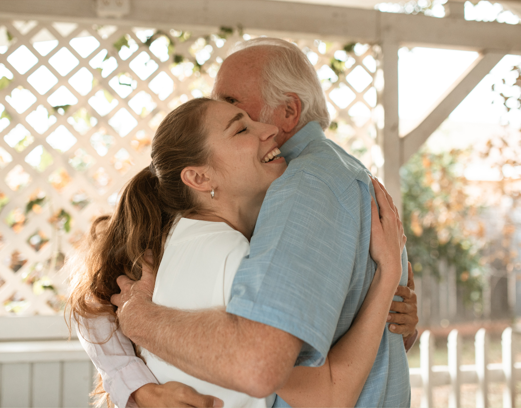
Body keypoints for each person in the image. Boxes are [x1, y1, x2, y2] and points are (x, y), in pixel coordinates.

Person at [72, 38, 418, 408]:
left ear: (289, 111)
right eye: (239, 127)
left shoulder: (299, 189)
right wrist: (137, 364)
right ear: (199, 178)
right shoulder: (233, 239)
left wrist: (392, 301)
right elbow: (97, 297)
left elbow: (382, 340)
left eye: (233, 104)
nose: (261, 131)